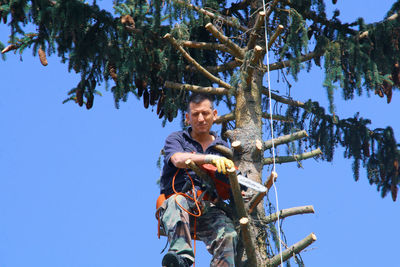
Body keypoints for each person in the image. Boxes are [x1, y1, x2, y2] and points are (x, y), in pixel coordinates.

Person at [157, 93, 238, 267]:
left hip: (208, 208)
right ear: (187, 118)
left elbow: (229, 188)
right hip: (180, 205)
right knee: (176, 201)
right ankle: (181, 259)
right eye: (195, 114)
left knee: (229, 234)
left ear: (214, 114)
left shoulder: (223, 149)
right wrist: (208, 159)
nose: (201, 119)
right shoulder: (177, 139)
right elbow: (178, 159)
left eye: (205, 113)